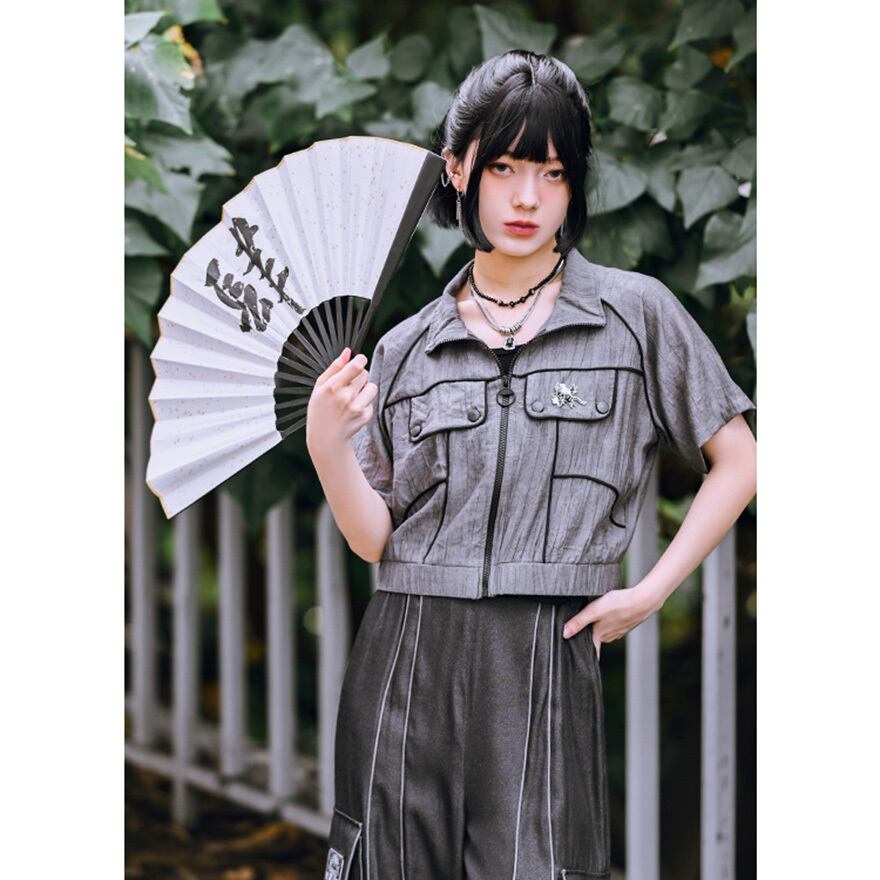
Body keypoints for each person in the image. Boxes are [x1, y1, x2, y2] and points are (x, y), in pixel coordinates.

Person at [306, 49, 756, 880]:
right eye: (504, 167)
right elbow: (375, 540)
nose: (526, 198)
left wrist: (651, 592)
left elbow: (738, 460)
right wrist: (326, 446)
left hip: (543, 650)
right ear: (457, 169)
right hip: (405, 651)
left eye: (552, 173)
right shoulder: (404, 348)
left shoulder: (635, 315)